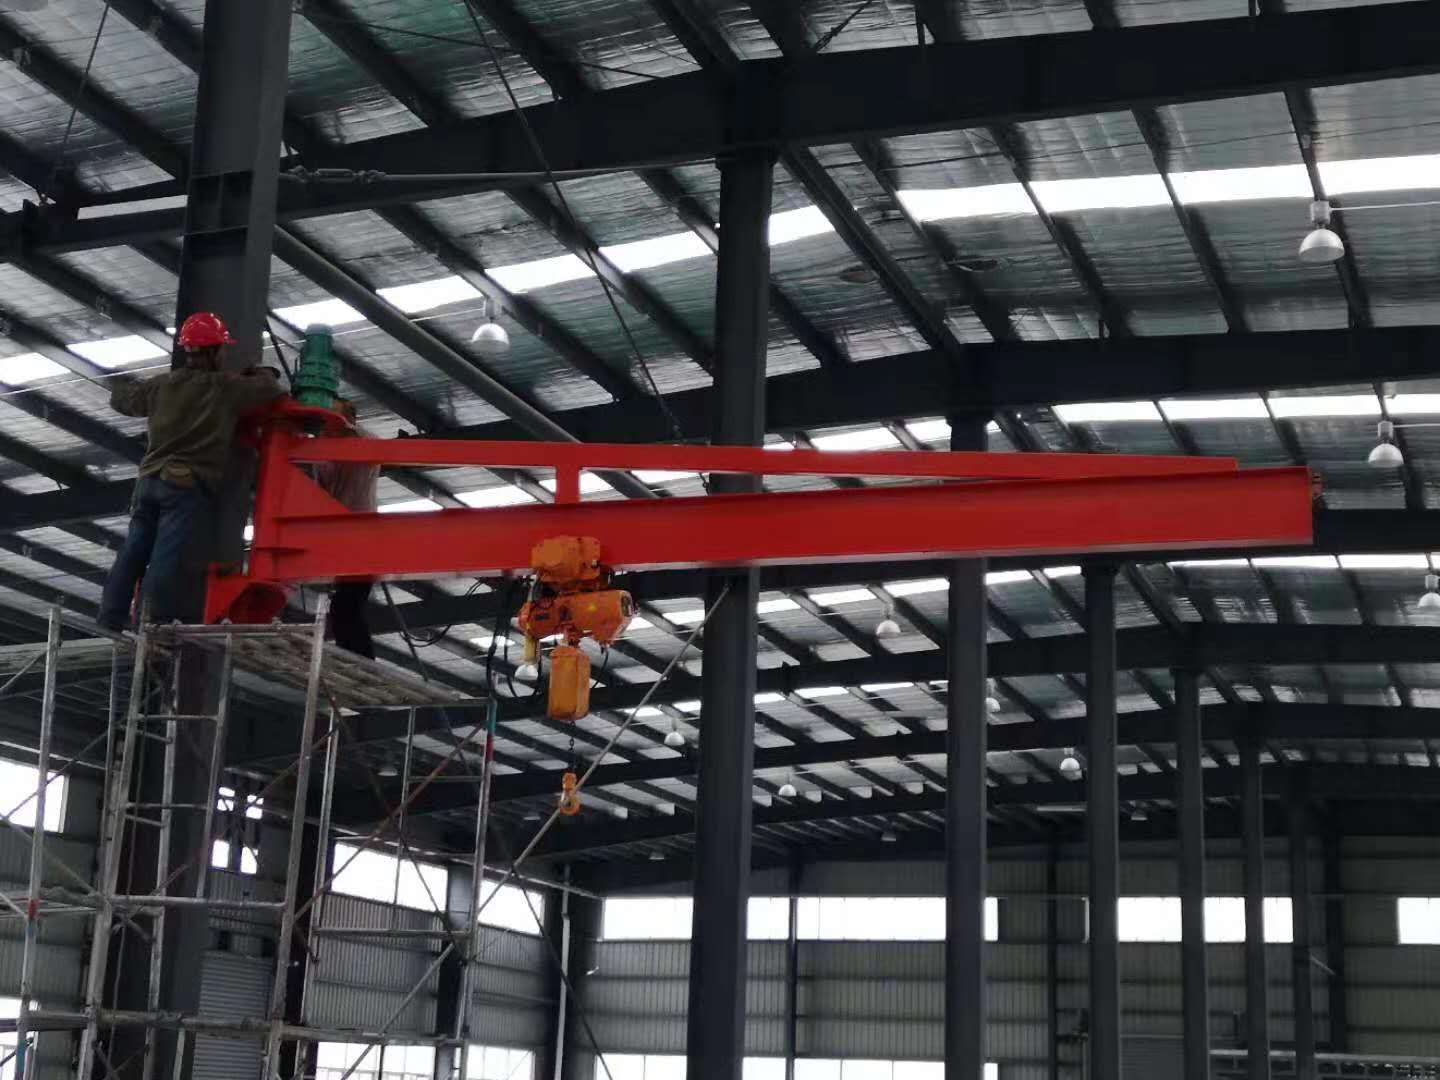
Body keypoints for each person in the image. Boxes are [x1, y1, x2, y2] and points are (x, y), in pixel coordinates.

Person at [97, 312, 286, 631]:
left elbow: (123, 400)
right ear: (215, 351)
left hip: (148, 481)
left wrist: (122, 384)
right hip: (184, 484)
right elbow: (269, 389)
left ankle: (110, 617)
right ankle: (151, 622)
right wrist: (263, 371)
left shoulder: (162, 385)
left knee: (133, 550)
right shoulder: (224, 388)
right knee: (166, 557)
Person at [315, 399, 379, 658]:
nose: (327, 424)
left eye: (333, 416)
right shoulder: (325, 451)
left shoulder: (363, 442)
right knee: (343, 608)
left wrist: (345, 429)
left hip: (363, 536)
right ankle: (356, 660)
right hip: (340, 537)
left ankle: (363, 663)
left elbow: (373, 445)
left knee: (347, 605)